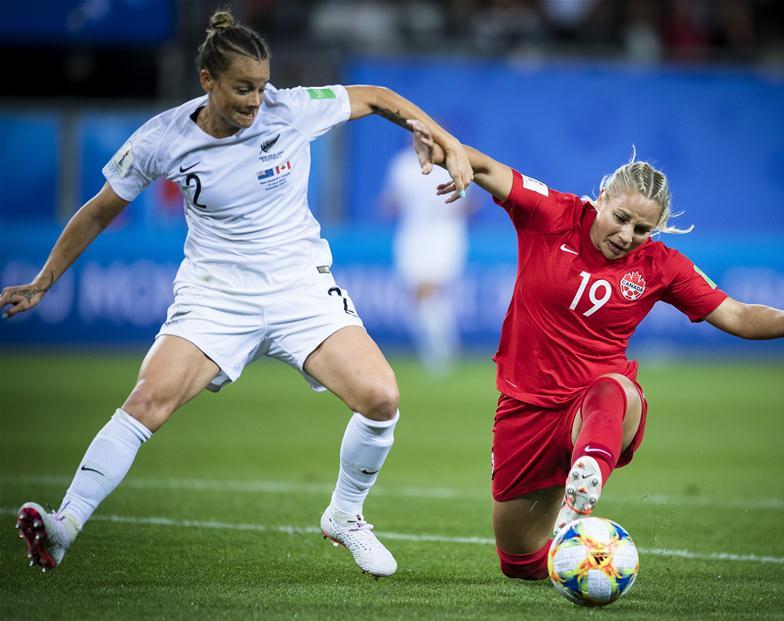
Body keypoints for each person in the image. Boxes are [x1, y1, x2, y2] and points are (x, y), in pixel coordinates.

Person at [1, 10, 472, 578]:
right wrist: (44, 280)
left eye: (262, 86)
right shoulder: (162, 138)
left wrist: (444, 140)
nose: (256, 100)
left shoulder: (289, 109)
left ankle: (345, 516)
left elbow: (376, 97)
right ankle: (63, 526)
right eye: (243, 88)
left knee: (381, 399)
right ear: (208, 80)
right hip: (216, 296)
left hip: (300, 289)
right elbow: (100, 210)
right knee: (147, 402)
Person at [408, 121, 784, 581]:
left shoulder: (661, 266)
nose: (628, 235)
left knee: (614, 389)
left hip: (595, 406)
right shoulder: (551, 214)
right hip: (525, 406)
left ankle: (587, 476)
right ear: (602, 197)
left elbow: (736, 315)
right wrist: (446, 150)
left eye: (643, 228)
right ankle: (575, 547)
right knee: (521, 564)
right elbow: (488, 167)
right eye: (622, 218)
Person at [382, 146, 472, 375]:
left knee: (430, 290)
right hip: (413, 234)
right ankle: (439, 349)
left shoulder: (452, 161)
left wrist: (447, 210)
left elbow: (467, 200)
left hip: (444, 234)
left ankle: (440, 353)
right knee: (417, 295)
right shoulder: (403, 165)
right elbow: (391, 200)